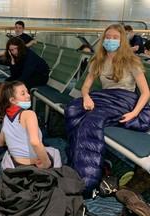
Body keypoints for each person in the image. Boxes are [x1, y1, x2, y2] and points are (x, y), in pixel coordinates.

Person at [64, 24, 150, 195]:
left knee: (91, 120)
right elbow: (85, 87)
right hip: (105, 97)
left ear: (122, 41)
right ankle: (77, 161)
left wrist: (134, 113)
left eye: (115, 37)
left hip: (124, 100)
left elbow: (146, 92)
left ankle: (86, 180)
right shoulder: (98, 60)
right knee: (72, 109)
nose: (110, 40)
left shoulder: (132, 61)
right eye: (108, 37)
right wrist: (86, 97)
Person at [0, 81, 62, 169]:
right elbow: (35, 142)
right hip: (33, 164)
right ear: (12, 100)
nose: (28, 95)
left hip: (13, 164)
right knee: (55, 152)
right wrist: (46, 164)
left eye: (27, 92)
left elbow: (0, 143)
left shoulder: (6, 117)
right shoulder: (29, 114)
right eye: (23, 94)